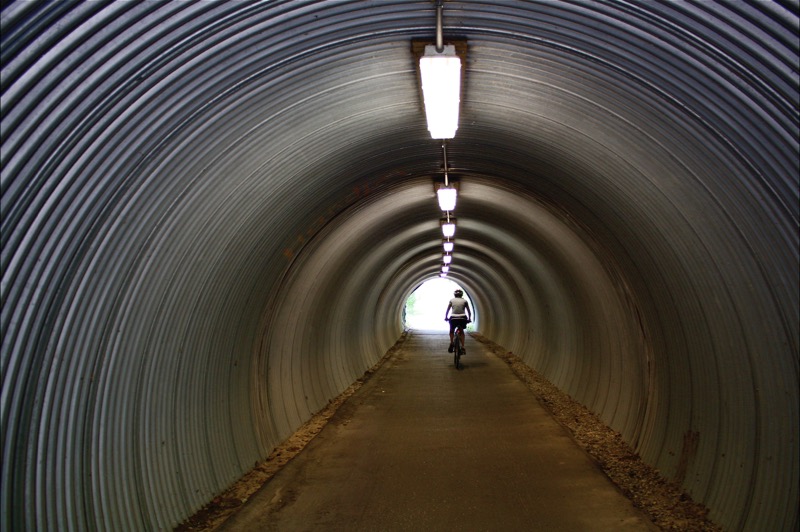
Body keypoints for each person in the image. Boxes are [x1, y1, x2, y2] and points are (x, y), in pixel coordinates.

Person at [445, 289, 471, 353]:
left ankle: (451, 343)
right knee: (461, 332)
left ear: (455, 295)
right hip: (462, 318)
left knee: (451, 331)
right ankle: (463, 347)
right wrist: (469, 318)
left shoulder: (451, 300)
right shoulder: (465, 301)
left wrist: (446, 317)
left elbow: (448, 309)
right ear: (461, 295)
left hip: (453, 318)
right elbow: (469, 311)